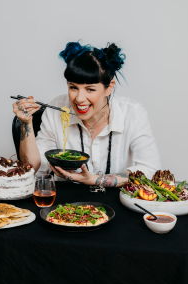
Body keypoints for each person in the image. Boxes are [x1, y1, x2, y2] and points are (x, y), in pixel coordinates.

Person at [12, 42, 161, 188]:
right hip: (64, 203)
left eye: (90, 89)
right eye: (73, 87)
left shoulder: (133, 113)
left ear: (109, 87)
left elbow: (149, 170)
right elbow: (32, 168)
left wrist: (96, 180)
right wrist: (26, 123)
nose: (79, 98)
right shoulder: (56, 108)